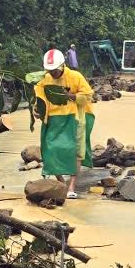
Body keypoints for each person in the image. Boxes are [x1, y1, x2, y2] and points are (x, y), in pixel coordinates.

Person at [34, 48, 95, 199]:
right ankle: (61, 183)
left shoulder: (75, 77)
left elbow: (87, 95)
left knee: (76, 151)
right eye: (50, 70)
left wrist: (70, 96)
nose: (52, 73)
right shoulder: (44, 81)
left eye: (55, 70)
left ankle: (72, 185)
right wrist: (37, 110)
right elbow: (40, 101)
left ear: (62, 65)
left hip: (75, 118)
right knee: (50, 150)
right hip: (54, 119)